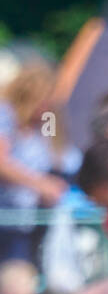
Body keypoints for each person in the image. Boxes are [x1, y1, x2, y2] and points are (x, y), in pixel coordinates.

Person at [0, 61, 75, 266]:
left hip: (31, 221)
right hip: (6, 221)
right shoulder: (5, 115)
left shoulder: (45, 122)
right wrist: (40, 184)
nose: (48, 107)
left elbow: (60, 158)